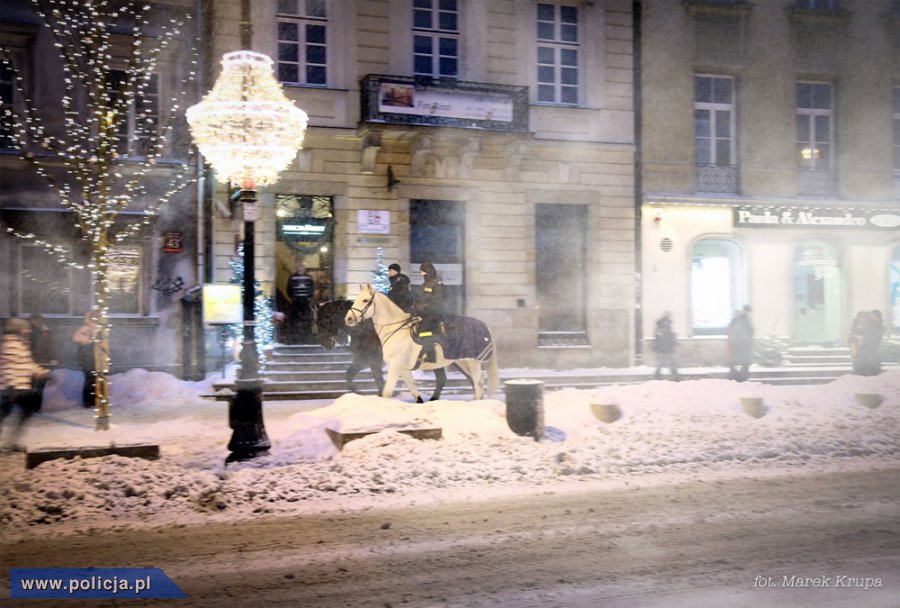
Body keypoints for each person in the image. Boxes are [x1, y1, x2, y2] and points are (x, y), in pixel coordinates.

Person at [1, 318, 50, 451]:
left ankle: (11, 442)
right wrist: (11, 383)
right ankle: (10, 443)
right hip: (13, 387)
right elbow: (7, 366)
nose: (28, 331)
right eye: (26, 328)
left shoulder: (20, 344)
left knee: (14, 413)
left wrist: (42, 372)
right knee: (20, 412)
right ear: (19, 329)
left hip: (18, 386)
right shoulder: (10, 344)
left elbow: (27, 364)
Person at [412, 262, 445, 363]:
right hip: (423, 314)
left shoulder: (437, 285)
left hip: (434, 315)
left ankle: (431, 355)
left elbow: (437, 302)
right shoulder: (424, 285)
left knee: (424, 330)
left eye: (423, 272)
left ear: (428, 272)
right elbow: (420, 299)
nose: (421, 274)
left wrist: (423, 307)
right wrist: (414, 307)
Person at [28, 313, 56, 412]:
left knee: (40, 384)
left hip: (43, 360)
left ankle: (37, 407)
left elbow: (51, 345)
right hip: (31, 361)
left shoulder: (46, 331)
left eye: (39, 320)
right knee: (31, 384)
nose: (37, 322)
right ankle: (30, 406)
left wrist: (53, 357)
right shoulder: (28, 331)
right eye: (35, 320)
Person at [72, 310, 99, 408]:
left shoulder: (96, 328)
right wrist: (89, 340)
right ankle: (88, 402)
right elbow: (76, 338)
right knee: (89, 379)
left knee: (93, 379)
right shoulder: (86, 328)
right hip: (88, 358)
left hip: (93, 357)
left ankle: (92, 401)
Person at [287, 261, 314, 344]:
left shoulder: (309, 278)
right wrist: (293, 298)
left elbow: (312, 288)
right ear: (297, 267)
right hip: (296, 301)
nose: (301, 267)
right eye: (299, 266)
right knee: (294, 320)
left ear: (304, 268)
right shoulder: (292, 277)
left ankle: (307, 339)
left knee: (307, 320)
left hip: (306, 301)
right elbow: (288, 289)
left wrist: (309, 298)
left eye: (302, 266)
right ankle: (294, 339)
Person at [727, 305, 754, 382]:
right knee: (742, 363)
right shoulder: (743, 320)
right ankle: (740, 378)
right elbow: (749, 331)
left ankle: (734, 377)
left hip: (737, 345)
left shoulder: (736, 320)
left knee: (736, 362)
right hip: (741, 345)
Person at [653, 312, 680, 381]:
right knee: (671, 364)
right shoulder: (664, 326)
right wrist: (672, 341)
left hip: (662, 349)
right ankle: (676, 378)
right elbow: (663, 338)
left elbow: (659, 338)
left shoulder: (660, 327)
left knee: (660, 364)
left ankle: (657, 377)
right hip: (665, 349)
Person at [858, 309, 884, 376]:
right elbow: (866, 336)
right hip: (867, 352)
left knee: (872, 370)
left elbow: (874, 339)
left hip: (871, 352)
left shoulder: (877, 326)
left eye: (872, 316)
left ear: (877, 317)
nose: (871, 318)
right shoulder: (870, 325)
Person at [847, 310, 870, 375]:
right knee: (856, 361)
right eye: (861, 317)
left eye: (865, 317)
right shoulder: (855, 325)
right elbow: (850, 336)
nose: (863, 319)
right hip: (856, 347)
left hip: (866, 349)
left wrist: (861, 338)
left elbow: (869, 337)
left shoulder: (869, 326)